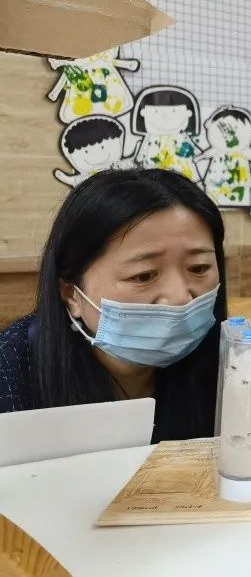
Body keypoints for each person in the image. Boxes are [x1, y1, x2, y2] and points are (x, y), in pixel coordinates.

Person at [0, 169, 227, 442]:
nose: (180, 297)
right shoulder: (11, 373)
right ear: (72, 294)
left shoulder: (231, 367)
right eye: (144, 275)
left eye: (199, 268)